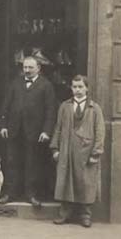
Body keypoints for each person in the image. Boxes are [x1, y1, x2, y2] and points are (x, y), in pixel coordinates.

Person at [0, 55, 56, 206]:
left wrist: (46, 131)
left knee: (32, 163)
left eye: (30, 67)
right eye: (25, 67)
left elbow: (51, 111)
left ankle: (31, 195)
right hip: (14, 129)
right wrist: (3, 125)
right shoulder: (15, 84)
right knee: (12, 161)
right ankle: (10, 193)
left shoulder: (46, 85)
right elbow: (6, 106)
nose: (27, 70)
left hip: (35, 132)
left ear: (38, 68)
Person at [50, 75, 105, 228]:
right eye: (74, 87)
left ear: (86, 88)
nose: (77, 90)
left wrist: (96, 153)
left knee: (86, 182)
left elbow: (100, 131)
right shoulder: (65, 106)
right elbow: (58, 128)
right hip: (67, 149)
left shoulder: (95, 108)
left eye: (80, 87)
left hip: (86, 152)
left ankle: (85, 215)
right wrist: (55, 148)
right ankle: (64, 213)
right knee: (66, 180)